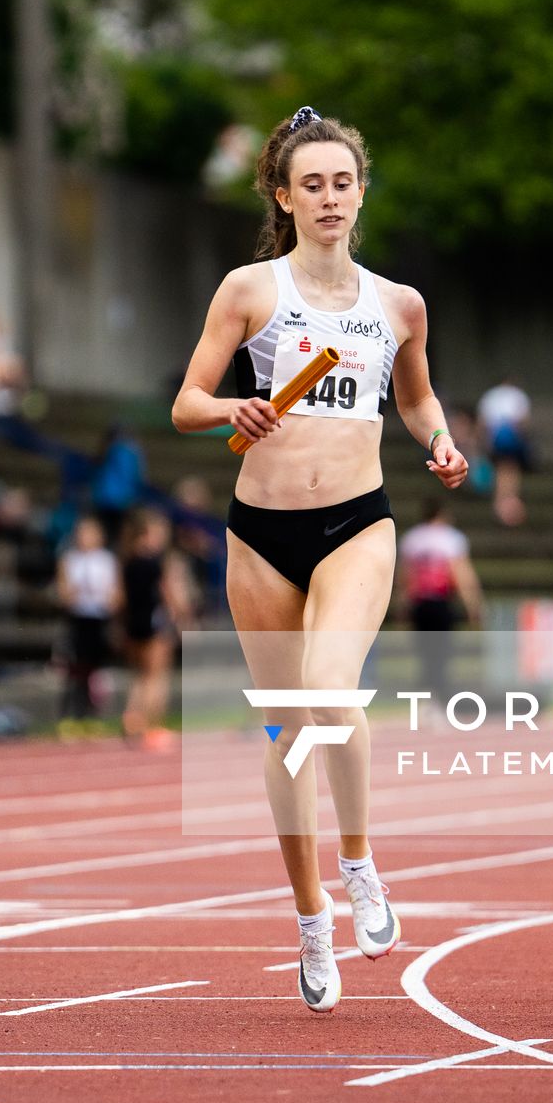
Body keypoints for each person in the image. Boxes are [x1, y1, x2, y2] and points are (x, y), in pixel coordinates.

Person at [171, 104, 469, 1013]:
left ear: (361, 191)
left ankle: (361, 863)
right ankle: (310, 917)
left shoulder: (398, 305)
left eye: (343, 182)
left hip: (356, 526)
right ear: (284, 196)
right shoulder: (249, 290)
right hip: (260, 535)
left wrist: (442, 441)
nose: (330, 198)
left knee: (333, 692)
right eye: (313, 185)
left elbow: (414, 400)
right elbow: (184, 401)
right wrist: (235, 410)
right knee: (289, 732)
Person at [117, 509, 196, 750]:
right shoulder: (155, 563)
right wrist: (183, 618)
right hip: (154, 622)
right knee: (157, 677)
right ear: (147, 534)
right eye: (159, 533)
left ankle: (132, 719)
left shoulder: (127, 561)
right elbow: (169, 594)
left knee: (140, 675)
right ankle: (153, 726)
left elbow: (118, 597)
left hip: (132, 622)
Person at [398, 500, 483, 692]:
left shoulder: (412, 538)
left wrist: (403, 604)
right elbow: (460, 573)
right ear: (442, 515)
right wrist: (472, 604)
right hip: (441, 602)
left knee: (424, 651)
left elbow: (405, 577)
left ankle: (426, 692)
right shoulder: (451, 538)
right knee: (442, 651)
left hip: (420, 603)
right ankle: (439, 691)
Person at [56, 515, 120, 730]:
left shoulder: (107, 560)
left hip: (98, 618)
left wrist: (108, 599)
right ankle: (70, 715)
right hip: (78, 618)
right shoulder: (70, 560)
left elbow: (117, 594)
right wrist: (72, 593)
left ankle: (92, 716)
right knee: (75, 669)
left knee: (95, 670)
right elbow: (64, 592)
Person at [476, 374, 532, 525]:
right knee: (510, 469)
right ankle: (508, 505)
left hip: (495, 438)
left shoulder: (490, 396)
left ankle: (501, 504)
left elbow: (482, 422)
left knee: (501, 469)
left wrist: (484, 442)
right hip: (510, 437)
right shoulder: (517, 396)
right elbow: (523, 420)